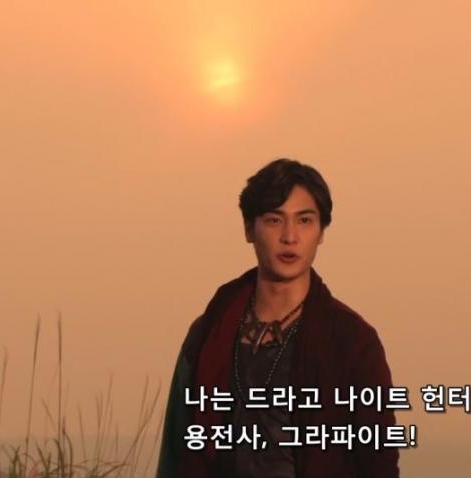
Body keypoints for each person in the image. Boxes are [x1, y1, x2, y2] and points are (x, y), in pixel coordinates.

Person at [156, 158, 399, 478]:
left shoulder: (351, 340)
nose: (290, 236)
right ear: (249, 228)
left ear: (321, 232)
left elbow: (379, 460)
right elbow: (177, 451)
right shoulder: (209, 331)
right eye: (274, 220)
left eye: (305, 220)